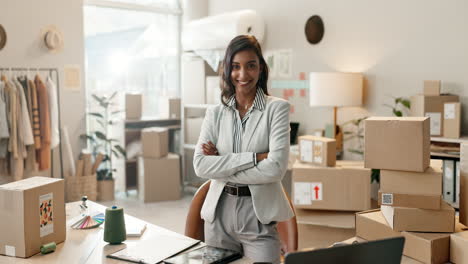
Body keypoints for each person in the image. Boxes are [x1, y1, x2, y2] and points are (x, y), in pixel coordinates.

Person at [193, 35, 294, 264]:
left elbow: (276, 169)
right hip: (219, 214)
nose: (243, 74)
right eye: (236, 67)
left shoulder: (277, 109)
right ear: (228, 70)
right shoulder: (215, 113)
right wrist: (256, 158)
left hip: (258, 216)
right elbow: (200, 165)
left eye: (251, 65)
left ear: (260, 68)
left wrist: (221, 163)